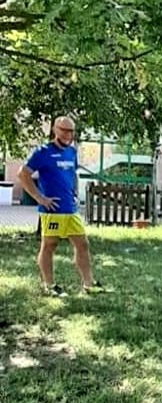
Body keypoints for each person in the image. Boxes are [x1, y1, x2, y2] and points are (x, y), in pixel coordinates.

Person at [17, 115, 107, 297]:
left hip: (70, 210)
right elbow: (23, 174)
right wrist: (39, 198)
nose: (68, 134)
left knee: (82, 244)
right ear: (55, 130)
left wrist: (74, 193)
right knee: (49, 246)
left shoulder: (72, 152)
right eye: (64, 130)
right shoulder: (42, 152)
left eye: (71, 131)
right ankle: (49, 286)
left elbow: (72, 174)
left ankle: (89, 284)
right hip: (52, 210)